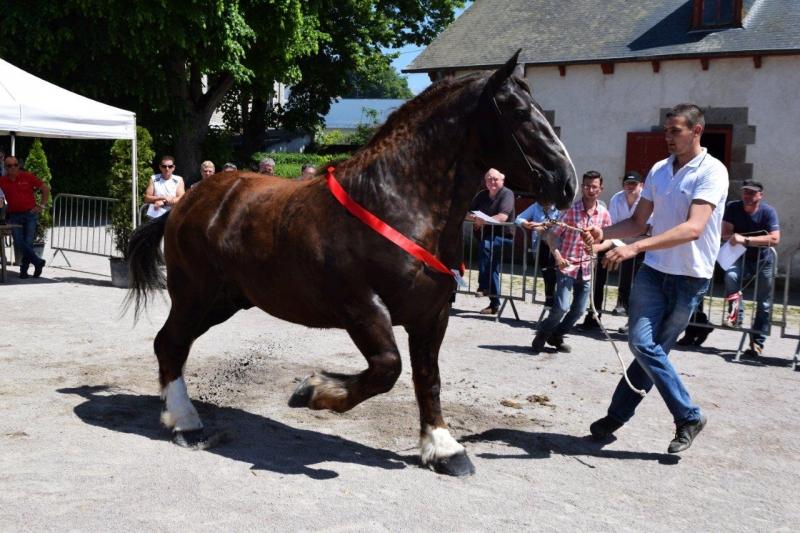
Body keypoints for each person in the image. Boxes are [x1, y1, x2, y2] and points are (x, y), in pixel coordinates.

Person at [582, 103, 728, 454]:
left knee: (650, 351)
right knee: (643, 346)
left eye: (675, 130)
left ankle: (620, 416)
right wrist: (603, 234)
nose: (667, 137)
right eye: (666, 130)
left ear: (696, 131)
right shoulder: (660, 170)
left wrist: (633, 249)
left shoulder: (712, 171)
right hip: (655, 272)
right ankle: (688, 416)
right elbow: (635, 222)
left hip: (690, 277)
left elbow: (693, 229)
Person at [530, 171, 612, 354]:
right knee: (562, 307)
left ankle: (557, 336)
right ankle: (543, 333)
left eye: (594, 186)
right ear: (582, 187)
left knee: (579, 310)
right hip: (568, 266)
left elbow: (609, 239)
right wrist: (558, 257)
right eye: (587, 186)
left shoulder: (604, 213)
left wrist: (597, 249)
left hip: (587, 268)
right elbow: (551, 236)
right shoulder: (570, 210)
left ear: (600, 189)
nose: (590, 190)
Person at [720, 179, 780, 356]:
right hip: (740, 257)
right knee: (731, 276)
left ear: (760, 195)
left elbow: (775, 239)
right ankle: (735, 318)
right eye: (745, 191)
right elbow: (725, 234)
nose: (748, 195)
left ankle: (757, 342)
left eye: (752, 192)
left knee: (764, 303)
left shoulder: (768, 212)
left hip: (764, 260)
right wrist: (733, 237)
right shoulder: (732, 207)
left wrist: (746, 240)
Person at [464, 168, 515, 315]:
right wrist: (475, 219)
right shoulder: (481, 195)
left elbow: (503, 217)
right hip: (486, 237)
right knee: (492, 267)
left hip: (503, 237)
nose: (492, 182)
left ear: (502, 180)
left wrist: (485, 221)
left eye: (495, 179)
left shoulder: (507, 193)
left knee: (485, 246)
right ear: (485, 181)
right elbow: (467, 213)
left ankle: (483, 286)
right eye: (489, 179)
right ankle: (495, 304)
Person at [0, 156, 50, 279]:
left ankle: (24, 270)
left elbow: (45, 188)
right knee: (18, 242)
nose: (13, 167)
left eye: (15, 164)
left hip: (30, 214)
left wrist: (41, 206)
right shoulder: (2, 180)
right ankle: (38, 262)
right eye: (9, 165)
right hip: (14, 215)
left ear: (18, 165)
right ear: (5, 168)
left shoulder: (28, 176)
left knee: (27, 242)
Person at [515, 202, 560, 306]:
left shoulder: (560, 206)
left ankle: (555, 301)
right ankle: (549, 300)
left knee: (554, 274)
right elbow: (519, 218)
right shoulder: (537, 205)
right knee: (546, 273)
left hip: (558, 247)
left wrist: (541, 224)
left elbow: (560, 221)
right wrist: (529, 225)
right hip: (542, 244)